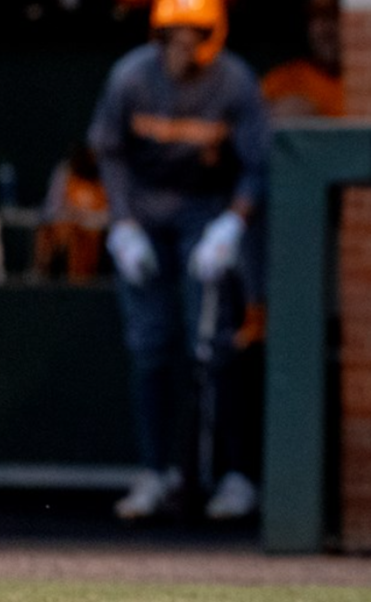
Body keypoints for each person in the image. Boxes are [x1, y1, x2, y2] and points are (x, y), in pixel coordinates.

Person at [88, 0, 270, 520]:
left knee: (212, 345)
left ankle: (230, 475)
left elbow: (257, 164)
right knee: (150, 343)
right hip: (143, 214)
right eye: (172, 35)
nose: (181, 46)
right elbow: (109, 151)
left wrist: (232, 224)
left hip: (204, 215)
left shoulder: (233, 81)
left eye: (192, 34)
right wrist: (120, 225)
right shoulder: (131, 77)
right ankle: (153, 471)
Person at [32, 144, 109, 282]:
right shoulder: (67, 172)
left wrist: (92, 219)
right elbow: (52, 208)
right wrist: (72, 215)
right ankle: (41, 276)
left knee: (83, 236)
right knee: (50, 232)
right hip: (70, 223)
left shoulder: (107, 173)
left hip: (99, 228)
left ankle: (81, 280)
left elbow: (113, 211)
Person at [260, 0, 345, 119]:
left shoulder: (368, 82)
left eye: (334, 17)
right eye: (318, 18)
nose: (327, 30)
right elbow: (248, 122)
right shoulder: (284, 81)